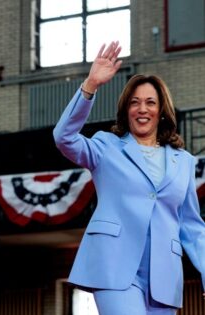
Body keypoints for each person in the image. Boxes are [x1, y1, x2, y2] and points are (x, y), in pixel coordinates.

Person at [53, 41, 205, 314]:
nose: (142, 109)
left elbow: (193, 228)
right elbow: (64, 138)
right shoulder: (105, 147)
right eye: (134, 103)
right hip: (114, 267)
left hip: (164, 277)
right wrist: (90, 86)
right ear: (126, 110)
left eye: (150, 102)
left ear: (162, 111)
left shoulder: (183, 162)